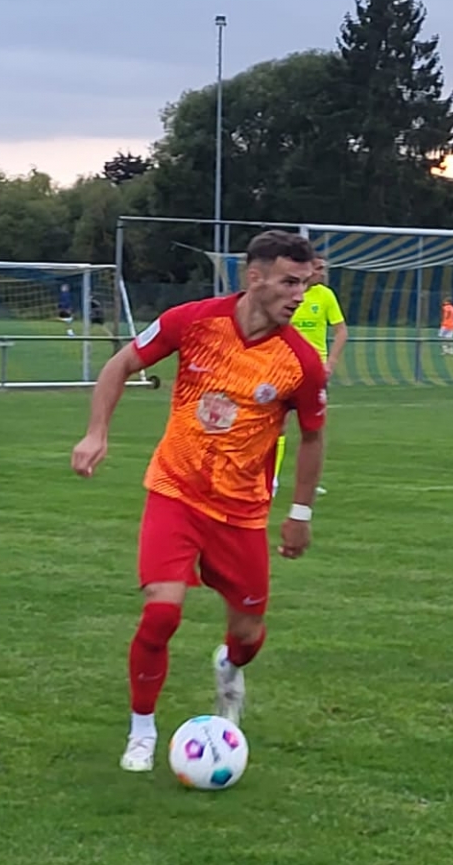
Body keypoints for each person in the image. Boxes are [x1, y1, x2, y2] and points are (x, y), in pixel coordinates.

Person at [71, 229, 327, 772]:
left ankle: (230, 667)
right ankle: (142, 731)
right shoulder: (193, 321)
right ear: (253, 277)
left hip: (242, 512)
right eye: (289, 282)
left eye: (305, 284)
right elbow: (121, 364)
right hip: (176, 491)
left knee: (248, 635)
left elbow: (312, 437)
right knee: (161, 613)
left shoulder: (300, 362)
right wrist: (96, 433)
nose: (299, 295)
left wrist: (300, 513)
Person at [276, 254, 346, 494]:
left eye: (324, 268)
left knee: (313, 428)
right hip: (284, 367)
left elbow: (341, 331)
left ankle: (308, 483)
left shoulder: (325, 295)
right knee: (278, 426)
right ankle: (271, 479)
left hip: (315, 372)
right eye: (319, 268)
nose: (322, 272)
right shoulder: (289, 295)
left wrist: (330, 363)